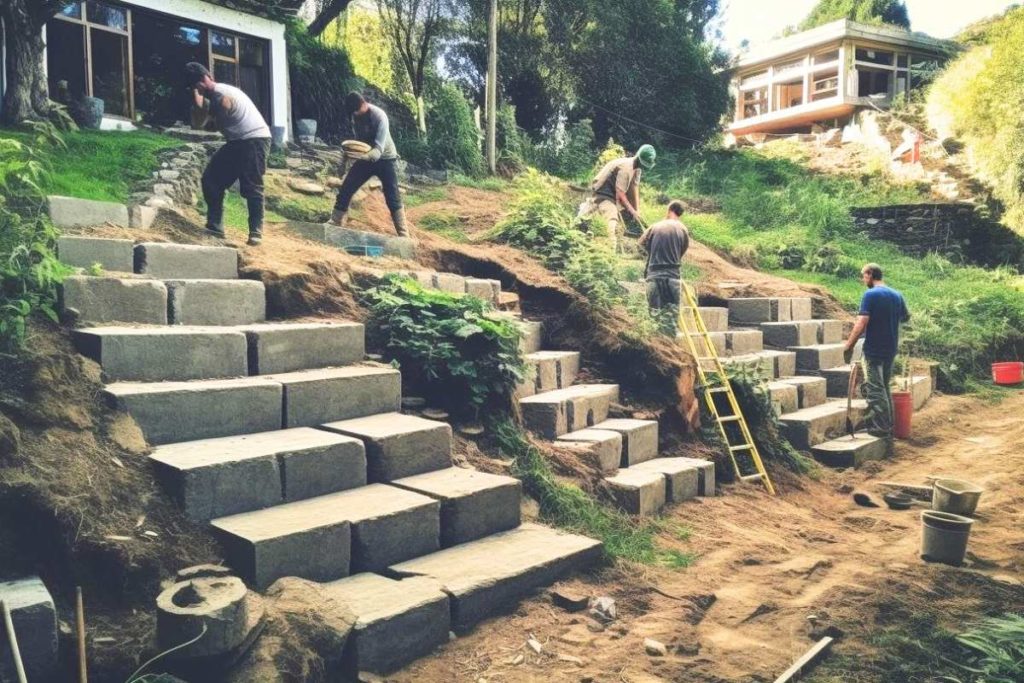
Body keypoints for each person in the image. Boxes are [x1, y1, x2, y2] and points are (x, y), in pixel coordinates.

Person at [186, 62, 271, 246]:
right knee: (211, 179)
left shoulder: (220, 94)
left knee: (252, 186)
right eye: (197, 87)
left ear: (205, 79)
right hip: (237, 141)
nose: (200, 88)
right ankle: (215, 226)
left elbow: (208, 123)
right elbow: (201, 123)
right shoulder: (214, 95)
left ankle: (255, 233)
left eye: (200, 84)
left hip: (255, 139)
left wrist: (202, 108)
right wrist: (199, 104)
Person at [842, 263, 910, 442]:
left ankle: (880, 429)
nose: (863, 280)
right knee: (885, 386)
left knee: (875, 388)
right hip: (891, 348)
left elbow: (861, 322)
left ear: (870, 274)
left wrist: (849, 346)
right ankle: (888, 427)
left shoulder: (870, 294)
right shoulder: (897, 295)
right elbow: (905, 317)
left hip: (874, 348)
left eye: (864, 276)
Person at [330, 92, 408, 237]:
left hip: (385, 158)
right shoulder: (355, 115)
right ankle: (335, 221)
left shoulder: (380, 117)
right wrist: (347, 156)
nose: (355, 114)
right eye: (353, 113)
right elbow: (358, 143)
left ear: (364, 104)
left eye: (357, 111)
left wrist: (361, 156)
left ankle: (403, 234)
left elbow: (378, 150)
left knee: (392, 196)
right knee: (347, 187)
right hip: (365, 156)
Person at [577, 144, 656, 251]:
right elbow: (621, 194)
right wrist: (632, 211)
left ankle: (577, 222)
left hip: (613, 193)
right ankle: (610, 249)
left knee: (587, 212)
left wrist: (637, 211)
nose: (643, 167)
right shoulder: (625, 168)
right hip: (603, 190)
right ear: (639, 158)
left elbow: (634, 187)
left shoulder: (637, 169)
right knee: (612, 217)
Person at [638, 200, 690, 333]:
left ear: (669, 210)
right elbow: (681, 252)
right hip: (673, 277)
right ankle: (671, 346)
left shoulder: (655, 227)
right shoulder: (683, 229)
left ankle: (658, 348)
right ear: (680, 214)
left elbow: (640, 245)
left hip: (654, 277)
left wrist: (652, 254)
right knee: (671, 318)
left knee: (654, 317)